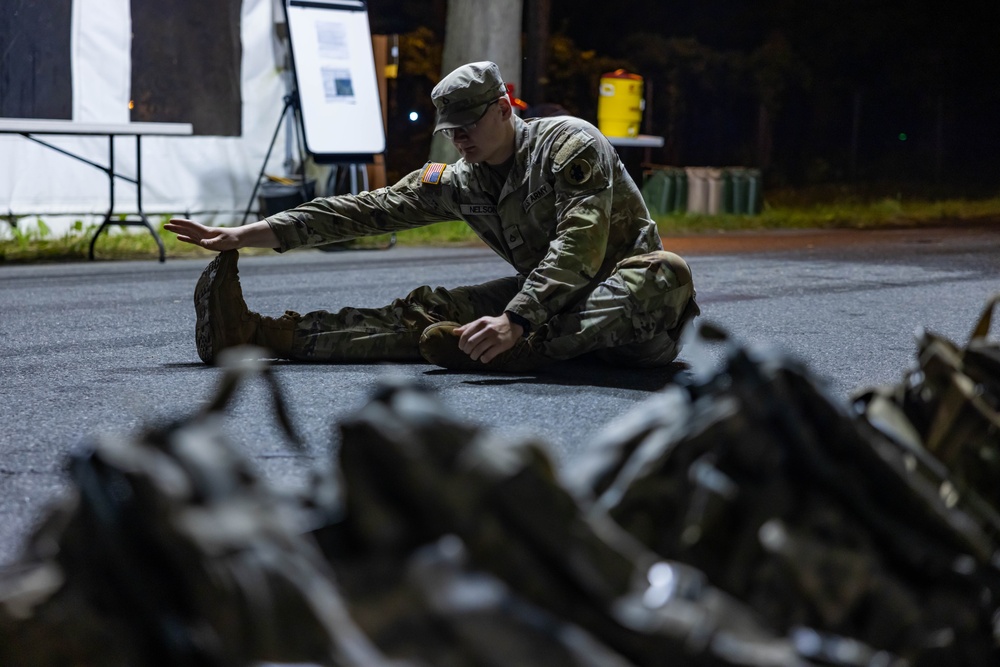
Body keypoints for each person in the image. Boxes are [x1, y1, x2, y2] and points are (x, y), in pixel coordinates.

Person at [165, 61, 699, 373]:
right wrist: (248, 233)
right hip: (541, 309)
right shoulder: (462, 178)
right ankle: (263, 337)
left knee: (666, 273)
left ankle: (516, 347)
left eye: (469, 124)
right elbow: (366, 210)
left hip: (626, 315)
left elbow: (579, 249)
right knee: (429, 311)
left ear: (503, 109)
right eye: (452, 130)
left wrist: (516, 320)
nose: (460, 138)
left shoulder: (570, 144)